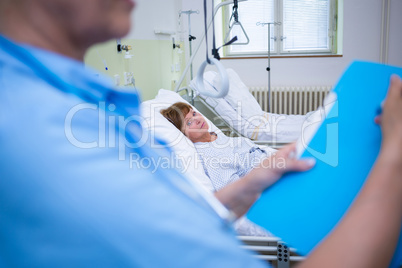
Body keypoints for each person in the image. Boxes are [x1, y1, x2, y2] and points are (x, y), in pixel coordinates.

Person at [0, 1, 401, 268]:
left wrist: (241, 191)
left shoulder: (75, 104)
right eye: (187, 118)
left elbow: (161, 219)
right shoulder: (45, 142)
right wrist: (395, 156)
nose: (197, 120)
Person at [161, 102, 278, 191]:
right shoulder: (209, 157)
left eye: (194, 113)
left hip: (271, 158)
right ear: (183, 134)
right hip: (269, 176)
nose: (197, 119)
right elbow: (234, 189)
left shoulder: (213, 135)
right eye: (189, 122)